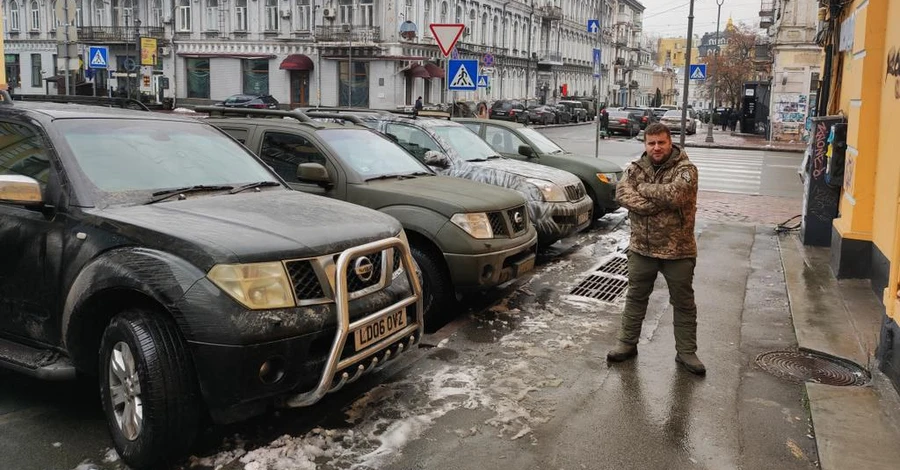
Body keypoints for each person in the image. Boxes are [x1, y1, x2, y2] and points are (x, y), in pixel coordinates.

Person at [606, 122, 705, 375]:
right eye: (651, 143)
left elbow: (678, 195)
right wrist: (653, 203)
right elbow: (622, 194)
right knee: (635, 298)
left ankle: (686, 352)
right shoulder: (636, 168)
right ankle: (627, 343)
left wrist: (643, 190)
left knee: (683, 303)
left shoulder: (686, 169)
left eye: (661, 142)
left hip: (678, 251)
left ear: (670, 142)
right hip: (642, 249)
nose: (656, 147)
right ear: (645, 144)